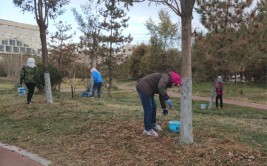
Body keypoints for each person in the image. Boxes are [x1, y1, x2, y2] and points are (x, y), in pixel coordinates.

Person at [136, 71, 182, 137]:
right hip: (143, 87)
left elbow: (161, 94)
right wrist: (167, 98)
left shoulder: (166, 80)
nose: (174, 85)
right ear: (174, 80)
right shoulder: (166, 77)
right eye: (175, 84)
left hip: (148, 89)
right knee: (149, 109)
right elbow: (161, 87)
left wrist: (164, 107)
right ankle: (147, 129)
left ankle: (153, 124)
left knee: (154, 107)